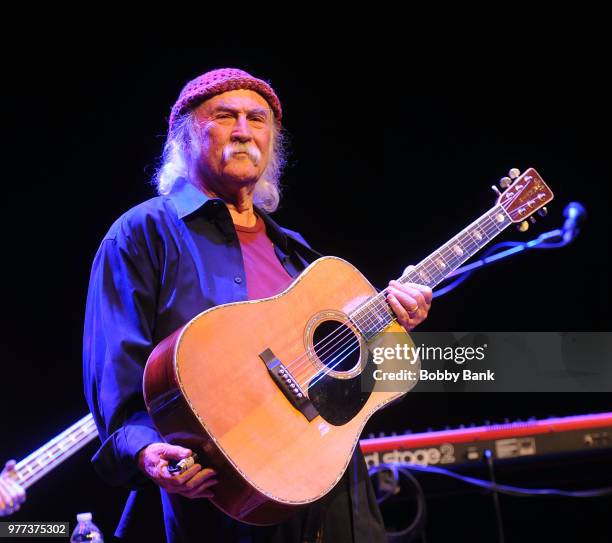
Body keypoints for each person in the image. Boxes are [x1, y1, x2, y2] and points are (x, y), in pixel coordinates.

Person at [83, 68, 432, 542]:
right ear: (185, 137)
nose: (244, 130)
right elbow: (115, 374)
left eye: (258, 119)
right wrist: (145, 450)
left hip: (338, 496)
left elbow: (353, 383)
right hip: (224, 502)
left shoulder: (297, 253)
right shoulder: (144, 233)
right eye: (225, 116)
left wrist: (394, 324)